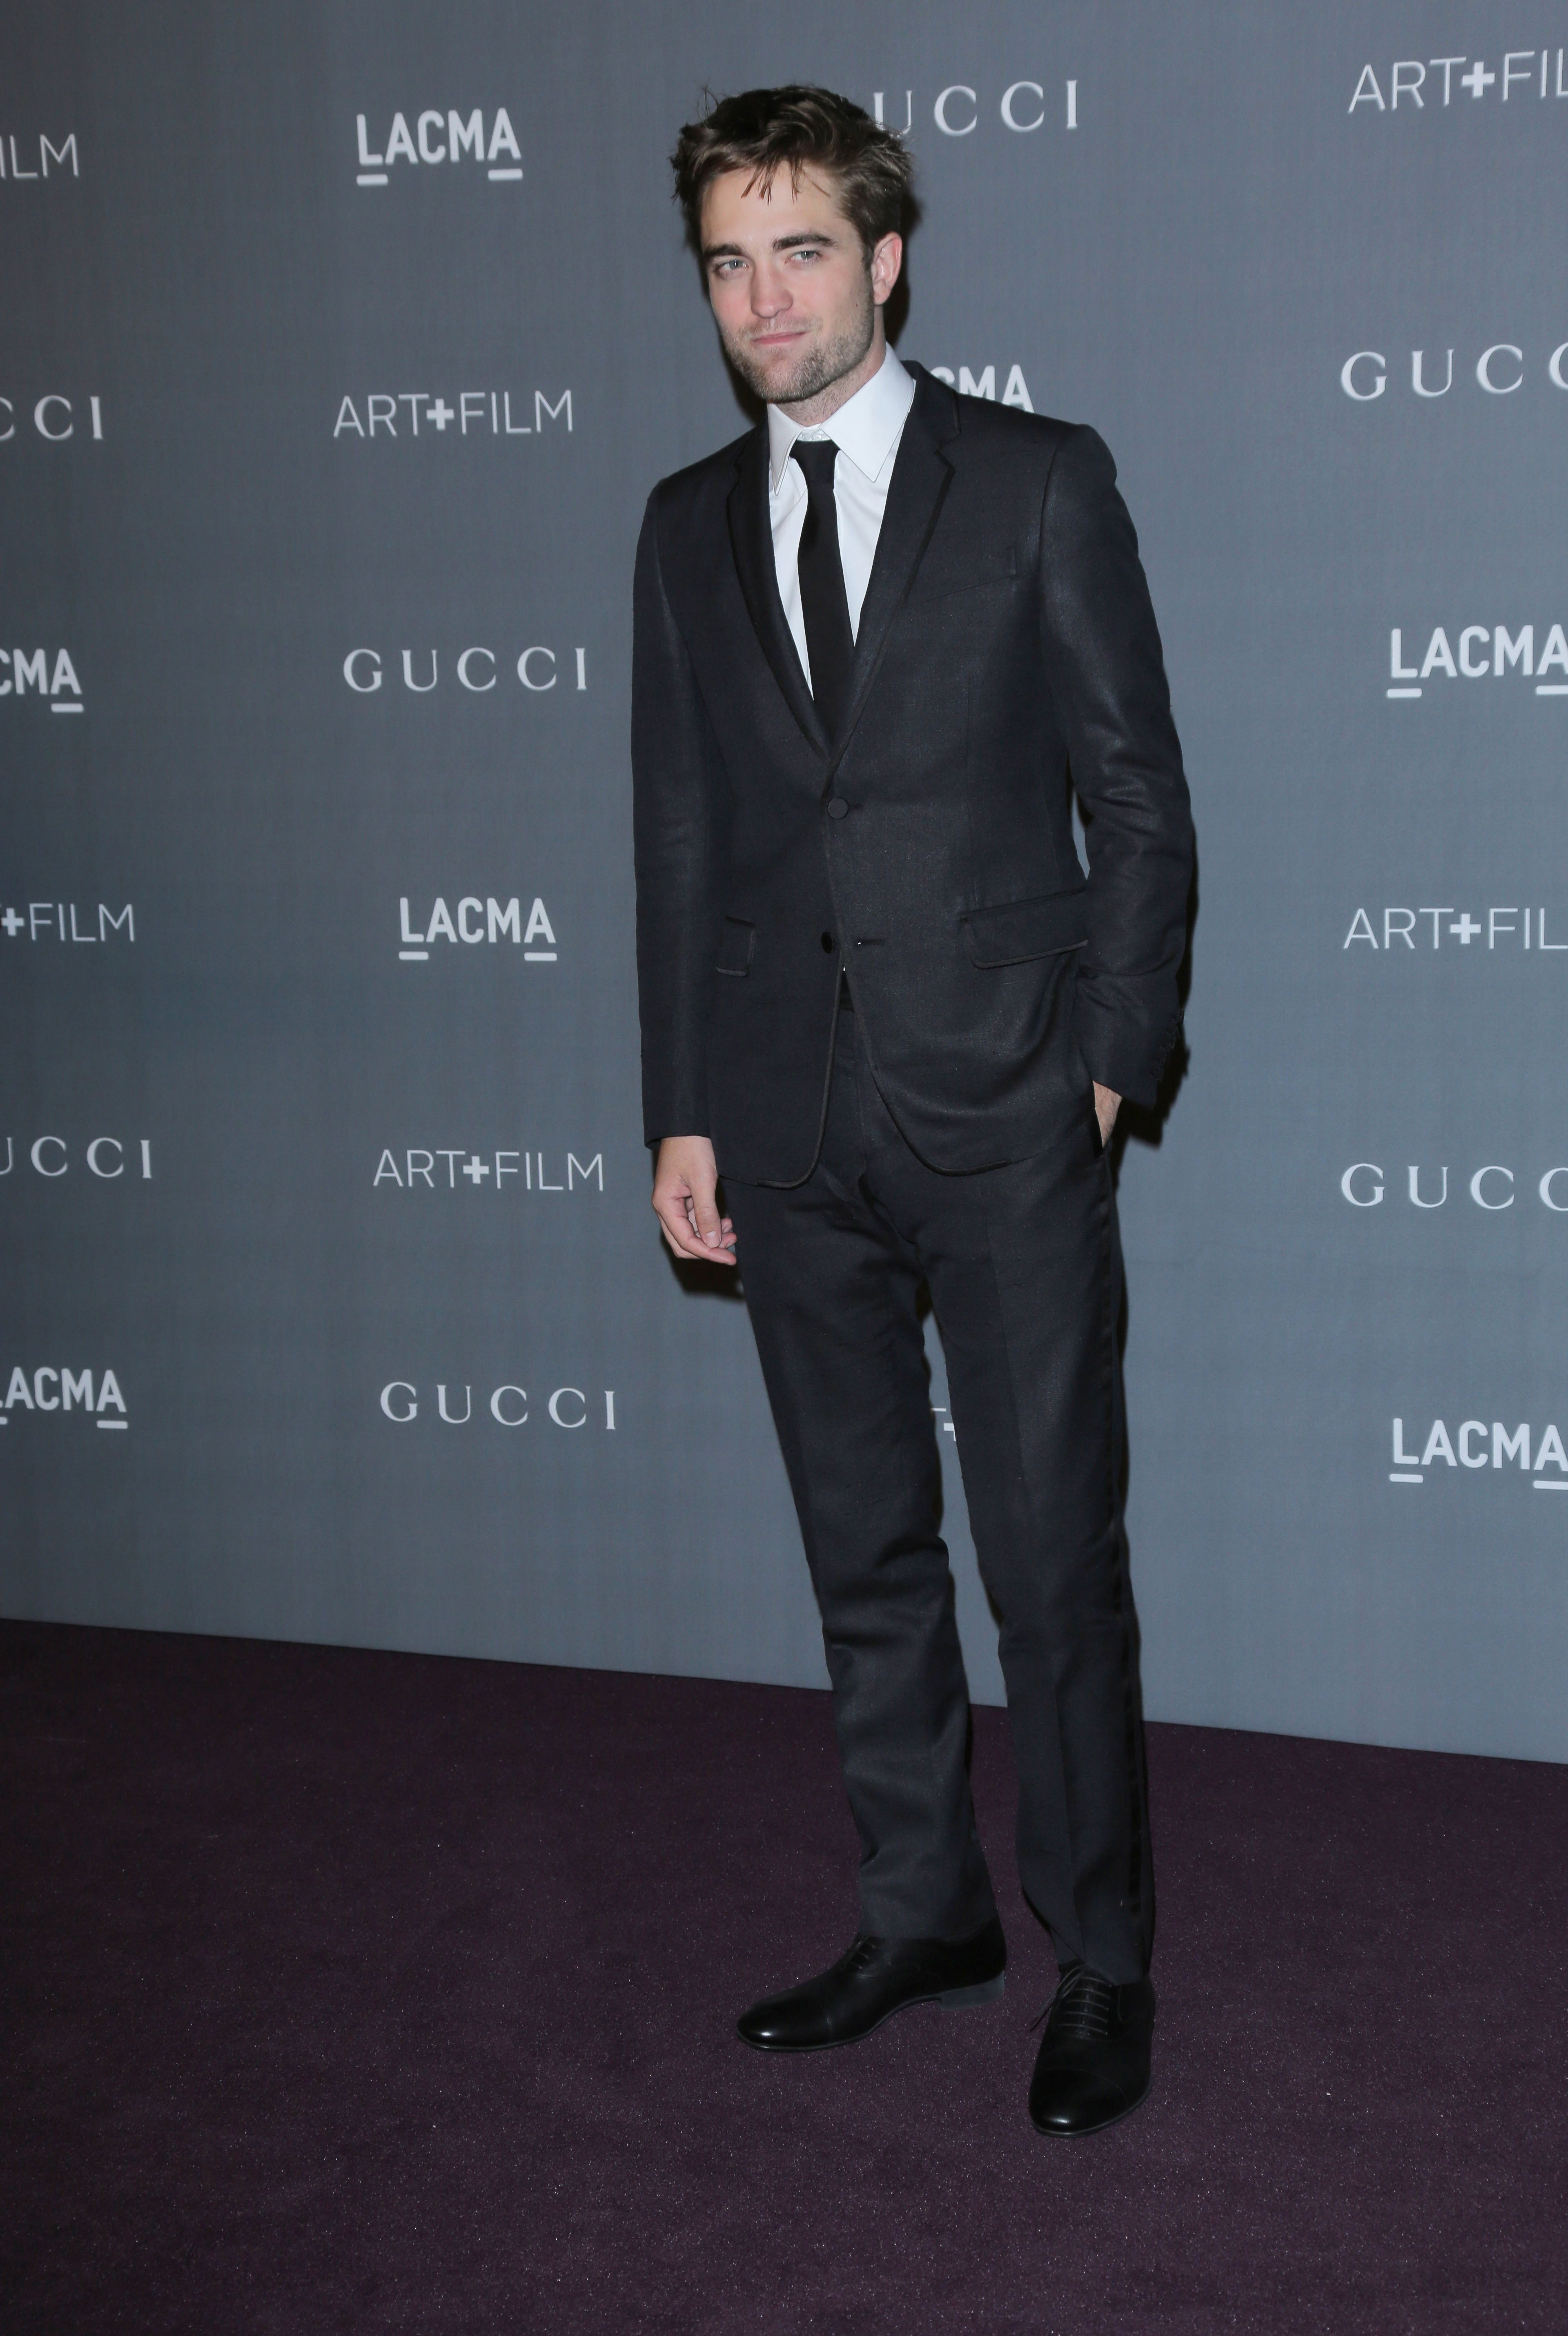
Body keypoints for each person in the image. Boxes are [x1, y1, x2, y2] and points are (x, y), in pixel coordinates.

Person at [631, 85, 1193, 2137]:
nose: (764, 300)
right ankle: (923, 1914)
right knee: (865, 1554)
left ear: (884, 259)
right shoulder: (685, 523)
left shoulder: (1038, 481)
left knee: (1053, 1564)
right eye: (728, 262)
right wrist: (682, 1110)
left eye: (800, 251)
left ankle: (1100, 1955)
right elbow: (679, 835)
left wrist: (1110, 1063)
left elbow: (1139, 800)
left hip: (1009, 1102)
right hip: (786, 1123)